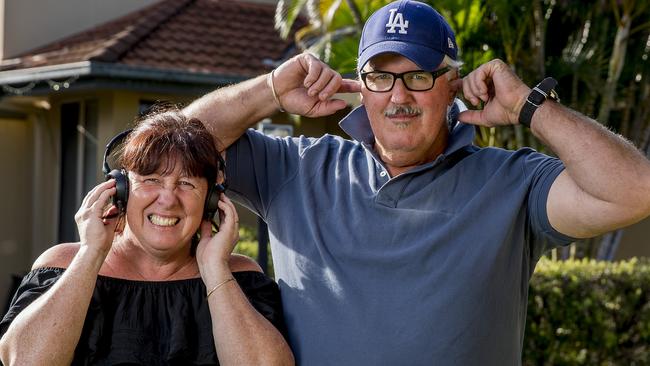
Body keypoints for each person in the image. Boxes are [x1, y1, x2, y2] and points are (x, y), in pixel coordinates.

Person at [184, 0, 650, 364]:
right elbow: (175, 148)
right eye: (381, 77)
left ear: (452, 84)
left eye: (420, 76)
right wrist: (268, 92)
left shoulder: (513, 182)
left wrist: (530, 108)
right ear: (360, 86)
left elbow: (635, 190)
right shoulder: (296, 168)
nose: (399, 96)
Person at [0, 105, 294, 365]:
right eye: (151, 180)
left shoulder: (239, 276)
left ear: (211, 199)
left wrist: (215, 271)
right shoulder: (64, 264)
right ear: (121, 189)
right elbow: (23, 360)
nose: (168, 200)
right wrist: (91, 254)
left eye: (187, 184)